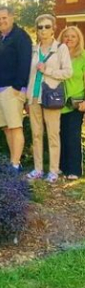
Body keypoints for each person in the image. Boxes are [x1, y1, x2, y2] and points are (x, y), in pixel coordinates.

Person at [26, 15, 72, 183]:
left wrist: (48, 71)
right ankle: (38, 169)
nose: (43, 30)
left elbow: (68, 72)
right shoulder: (33, 49)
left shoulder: (61, 48)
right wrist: (27, 97)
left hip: (51, 96)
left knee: (53, 134)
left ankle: (53, 170)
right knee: (36, 134)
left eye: (47, 26)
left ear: (54, 28)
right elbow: (28, 75)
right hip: (34, 97)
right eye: (40, 27)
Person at [0, 6, 32, 171]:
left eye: (4, 17)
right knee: (7, 127)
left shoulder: (21, 36)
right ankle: (13, 162)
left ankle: (15, 164)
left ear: (12, 17)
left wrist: (18, 86)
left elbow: (25, 62)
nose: (1, 21)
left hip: (13, 89)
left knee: (15, 127)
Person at [59, 26, 85, 180]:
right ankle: (62, 167)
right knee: (60, 135)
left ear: (78, 39)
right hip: (57, 102)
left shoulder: (83, 57)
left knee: (73, 136)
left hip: (76, 103)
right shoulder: (57, 56)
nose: (69, 39)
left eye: (73, 36)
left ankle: (74, 169)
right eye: (66, 36)